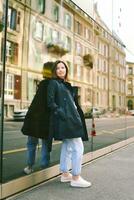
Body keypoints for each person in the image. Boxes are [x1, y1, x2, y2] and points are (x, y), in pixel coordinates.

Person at [47, 60, 92, 188]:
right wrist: (62, 114)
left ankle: (65, 174)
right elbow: (50, 103)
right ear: (54, 71)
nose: (61, 70)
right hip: (66, 120)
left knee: (67, 146)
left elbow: (71, 104)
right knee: (78, 146)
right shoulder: (53, 83)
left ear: (66, 70)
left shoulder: (66, 85)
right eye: (58, 68)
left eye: (63, 67)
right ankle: (76, 177)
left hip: (71, 119)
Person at [21, 62, 54, 174]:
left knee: (31, 143)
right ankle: (44, 168)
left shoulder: (43, 84)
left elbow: (36, 104)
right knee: (45, 144)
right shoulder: (54, 84)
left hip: (34, 120)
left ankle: (29, 167)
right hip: (46, 121)